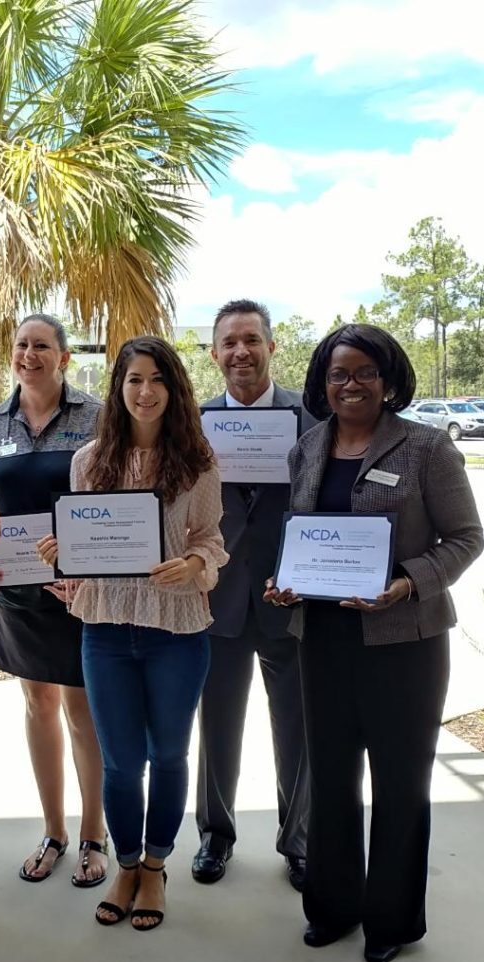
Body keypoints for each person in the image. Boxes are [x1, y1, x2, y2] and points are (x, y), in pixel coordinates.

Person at [264, 324, 484, 962]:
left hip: (404, 642)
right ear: (322, 384)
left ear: (388, 381)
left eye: (364, 372)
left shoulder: (426, 447)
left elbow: (466, 538)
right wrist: (286, 581)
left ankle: (391, 919)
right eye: (338, 374)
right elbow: (302, 532)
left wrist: (407, 582)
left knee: (400, 782)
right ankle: (332, 907)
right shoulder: (308, 447)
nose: (350, 384)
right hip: (322, 639)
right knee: (330, 776)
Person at [38, 337, 227, 931]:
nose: (145, 393)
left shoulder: (198, 461)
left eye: (157, 380)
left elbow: (211, 537)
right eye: (133, 381)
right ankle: (124, 863)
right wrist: (59, 551)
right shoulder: (89, 461)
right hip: (107, 630)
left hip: (176, 628)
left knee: (168, 755)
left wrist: (196, 565)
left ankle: (156, 865)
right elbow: (84, 542)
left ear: (175, 388)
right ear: (118, 391)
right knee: (120, 762)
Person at [0, 313, 107, 888]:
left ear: (64, 357)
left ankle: (93, 837)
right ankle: (53, 831)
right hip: (20, 594)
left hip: (77, 592)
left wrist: (84, 567)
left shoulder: (98, 416)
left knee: (83, 715)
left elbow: (113, 500)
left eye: (42, 346)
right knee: (38, 708)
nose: (30, 355)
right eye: (22, 346)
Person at [193, 299, 316, 890]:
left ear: (271, 346)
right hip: (217, 596)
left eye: (251, 340)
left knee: (297, 725)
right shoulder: (193, 422)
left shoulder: (310, 417)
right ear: (214, 354)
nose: (240, 351)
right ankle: (215, 836)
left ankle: (299, 841)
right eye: (229, 342)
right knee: (217, 725)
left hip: (290, 597)